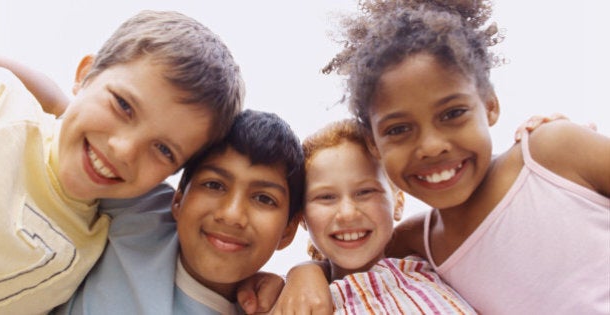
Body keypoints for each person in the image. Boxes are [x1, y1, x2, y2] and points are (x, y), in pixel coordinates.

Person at [275, 0, 610, 313]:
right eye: (398, 129)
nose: (432, 146)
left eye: (452, 113)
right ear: (374, 143)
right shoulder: (417, 240)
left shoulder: (551, 151)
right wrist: (303, 272)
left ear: (490, 105)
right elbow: (350, 257)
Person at [0, 10, 243, 314]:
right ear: (85, 75)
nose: (124, 150)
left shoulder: (96, 245)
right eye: (122, 105)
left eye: (163, 150)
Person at [51, 109, 304, 314]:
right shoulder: (144, 213)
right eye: (214, 185)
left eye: (264, 198)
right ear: (178, 200)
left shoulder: (268, 308)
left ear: (288, 231)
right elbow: (67, 116)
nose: (232, 214)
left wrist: (308, 271)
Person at [300, 118, 476, 314]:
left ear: (398, 203)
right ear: (300, 217)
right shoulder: (297, 302)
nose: (348, 214)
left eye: (366, 192)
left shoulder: (436, 264)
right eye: (326, 197)